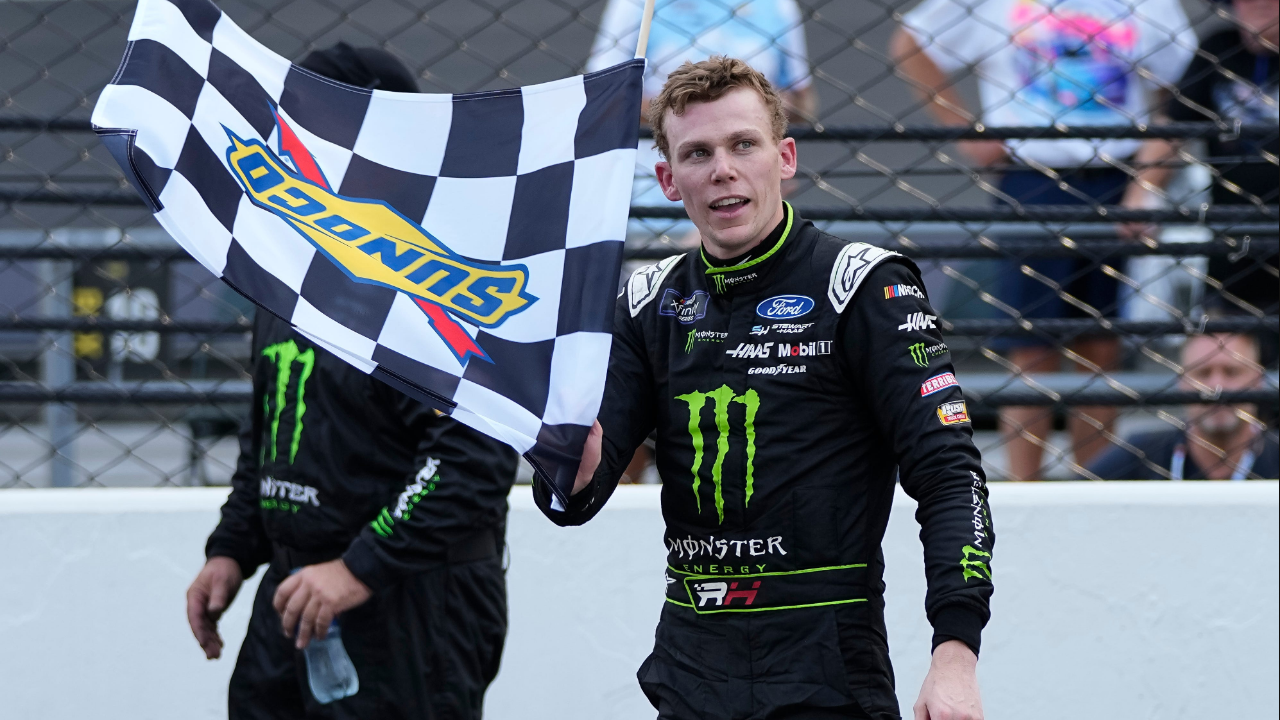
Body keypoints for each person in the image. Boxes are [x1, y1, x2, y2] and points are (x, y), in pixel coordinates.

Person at [535, 57, 995, 720]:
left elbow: (951, 475)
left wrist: (955, 653)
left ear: (784, 157)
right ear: (668, 179)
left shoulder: (863, 286)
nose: (723, 168)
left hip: (828, 675)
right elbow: (571, 501)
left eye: (742, 145)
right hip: (689, 673)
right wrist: (567, 461)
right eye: (697, 153)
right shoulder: (645, 302)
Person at [184, 44, 519, 720]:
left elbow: (473, 460)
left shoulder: (439, 275)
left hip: (410, 599)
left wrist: (359, 568)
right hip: (298, 590)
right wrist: (231, 549)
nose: (290, 141)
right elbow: (273, 433)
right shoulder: (286, 267)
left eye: (314, 123)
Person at [890, 0, 1197, 479]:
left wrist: (1149, 177)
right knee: (1030, 345)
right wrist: (966, 130)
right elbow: (911, 42)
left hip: (1115, 175)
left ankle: (1096, 484)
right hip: (1032, 176)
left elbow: (1185, 84)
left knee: (1100, 347)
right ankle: (1024, 488)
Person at [1120, 0, 1278, 322]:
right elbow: (1173, 127)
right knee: (1229, 334)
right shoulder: (1219, 48)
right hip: (1234, 227)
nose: (1261, 4)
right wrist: (1141, 190)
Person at [1087, 332, 1278, 479]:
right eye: (1203, 373)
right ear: (1182, 382)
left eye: (1232, 372)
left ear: (1258, 380)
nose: (1216, 387)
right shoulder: (1139, 454)